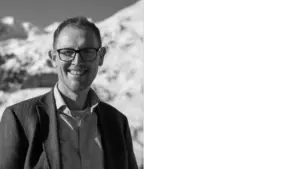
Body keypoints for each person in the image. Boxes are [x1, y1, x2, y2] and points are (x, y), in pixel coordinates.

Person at [0, 16, 138, 169]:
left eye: (87, 51)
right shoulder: (20, 119)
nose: (77, 61)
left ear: (100, 57)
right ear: (53, 58)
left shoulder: (118, 123)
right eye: (67, 52)